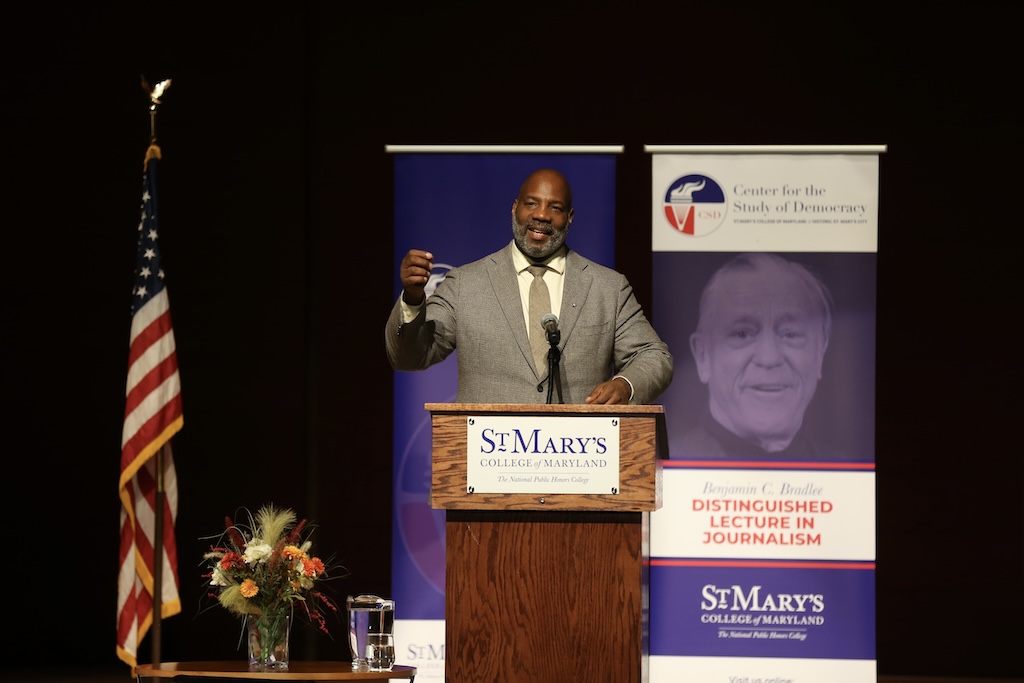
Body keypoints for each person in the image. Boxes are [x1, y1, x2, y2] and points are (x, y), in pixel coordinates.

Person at [385, 168, 673, 405]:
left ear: (569, 218)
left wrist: (625, 385)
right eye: (532, 203)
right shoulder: (465, 284)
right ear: (515, 208)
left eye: (555, 207)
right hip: (488, 463)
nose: (542, 215)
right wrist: (412, 299)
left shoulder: (607, 288)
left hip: (579, 461)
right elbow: (409, 357)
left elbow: (654, 356)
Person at [677, 252, 833, 459]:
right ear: (703, 356)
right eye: (742, 334)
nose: (769, 358)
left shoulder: (853, 475)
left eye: (791, 334)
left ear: (820, 352)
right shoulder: (658, 469)